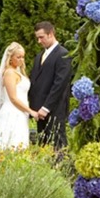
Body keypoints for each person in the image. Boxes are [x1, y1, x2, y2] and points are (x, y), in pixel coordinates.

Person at [28, 21, 72, 150]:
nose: (39, 41)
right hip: (39, 111)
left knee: (57, 144)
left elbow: (60, 84)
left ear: (51, 34)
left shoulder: (63, 54)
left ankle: (62, 168)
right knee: (43, 146)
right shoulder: (39, 56)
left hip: (54, 109)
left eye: (41, 37)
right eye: (37, 38)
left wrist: (46, 107)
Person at [0, 42, 33, 150]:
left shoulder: (18, 72)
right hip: (12, 112)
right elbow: (13, 98)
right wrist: (30, 111)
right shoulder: (9, 73)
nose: (21, 60)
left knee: (20, 144)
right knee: (10, 144)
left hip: (20, 112)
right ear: (10, 58)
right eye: (18, 57)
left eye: (23, 57)